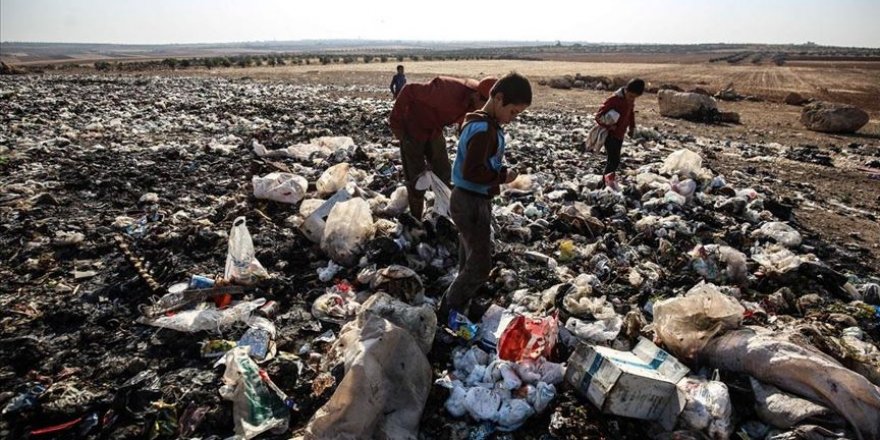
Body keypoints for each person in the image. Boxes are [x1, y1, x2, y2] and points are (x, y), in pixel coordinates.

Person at [438, 72, 532, 322]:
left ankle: (460, 302)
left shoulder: (482, 123)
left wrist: (499, 172)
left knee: (467, 255)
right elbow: (473, 171)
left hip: (468, 198)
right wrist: (503, 175)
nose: (512, 120)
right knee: (480, 266)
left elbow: (478, 165)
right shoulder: (483, 130)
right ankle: (449, 307)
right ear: (498, 99)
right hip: (471, 201)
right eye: (513, 112)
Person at [389, 75, 497, 219]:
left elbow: (467, 123)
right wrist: (395, 122)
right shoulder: (446, 91)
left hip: (435, 129)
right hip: (413, 126)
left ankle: (445, 214)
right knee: (416, 179)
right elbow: (409, 90)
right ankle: (416, 220)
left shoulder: (476, 103)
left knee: (444, 172)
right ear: (478, 96)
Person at [594, 78, 645, 191]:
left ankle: (605, 183)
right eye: (631, 96)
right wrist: (609, 126)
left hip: (620, 135)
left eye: (634, 97)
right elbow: (598, 116)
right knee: (613, 160)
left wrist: (632, 127)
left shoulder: (629, 100)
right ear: (626, 90)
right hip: (610, 135)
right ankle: (605, 184)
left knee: (614, 161)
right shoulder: (614, 99)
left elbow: (630, 113)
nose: (632, 99)